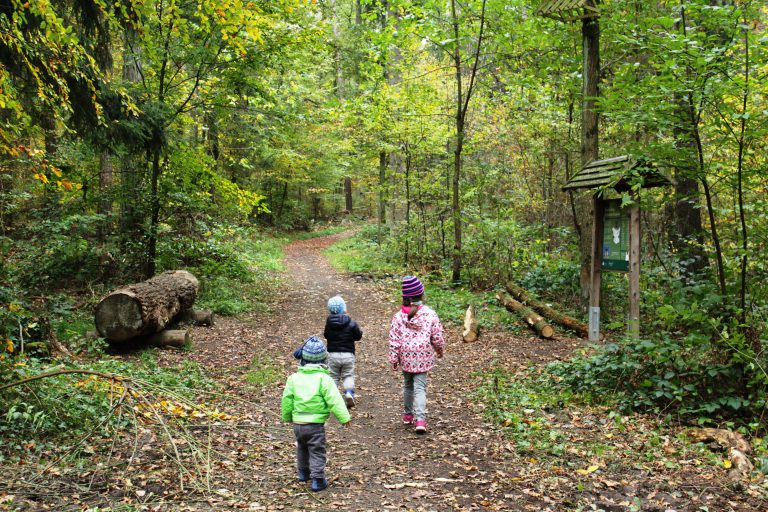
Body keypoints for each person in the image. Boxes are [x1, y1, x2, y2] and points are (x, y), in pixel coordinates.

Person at [282, 335, 351, 492]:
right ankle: (318, 479)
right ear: (323, 360)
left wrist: (287, 416)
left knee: (302, 448)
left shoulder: (293, 378)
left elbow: (287, 399)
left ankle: (303, 473)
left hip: (298, 424)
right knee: (317, 450)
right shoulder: (324, 379)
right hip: (314, 425)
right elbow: (335, 399)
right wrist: (344, 417)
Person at [388, 276, 445, 434]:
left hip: (406, 356)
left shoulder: (399, 316)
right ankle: (420, 420)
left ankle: (407, 415)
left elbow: (394, 339)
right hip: (422, 356)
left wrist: (394, 357)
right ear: (421, 294)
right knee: (420, 388)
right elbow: (437, 336)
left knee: (408, 386)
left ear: (405, 297)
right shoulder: (429, 314)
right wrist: (439, 350)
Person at [324, 295, 363, 408]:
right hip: (348, 355)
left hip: (333, 355)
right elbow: (358, 336)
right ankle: (349, 393)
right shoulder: (351, 322)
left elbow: (326, 335)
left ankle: (332, 397)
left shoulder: (329, 323)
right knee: (348, 375)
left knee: (334, 376)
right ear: (344, 308)